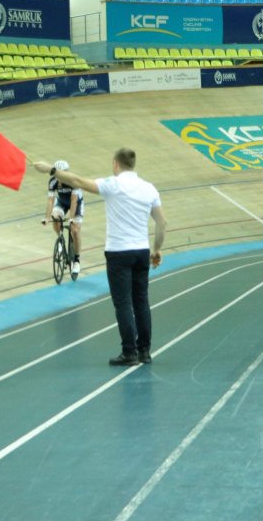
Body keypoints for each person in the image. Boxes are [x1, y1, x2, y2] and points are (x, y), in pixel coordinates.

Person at [34, 148, 167, 366]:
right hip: (141, 252)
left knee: (123, 303)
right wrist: (157, 249)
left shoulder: (111, 185)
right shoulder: (149, 188)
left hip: (118, 253)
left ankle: (129, 352)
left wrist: (51, 169)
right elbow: (162, 222)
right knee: (141, 301)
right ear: (133, 164)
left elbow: (77, 181)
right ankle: (144, 351)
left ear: (116, 164)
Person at [41, 159, 84, 275]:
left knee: (75, 230)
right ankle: (60, 239)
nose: (59, 177)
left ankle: (77, 260)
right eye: (57, 174)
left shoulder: (73, 181)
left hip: (76, 204)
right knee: (55, 217)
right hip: (62, 203)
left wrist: (71, 218)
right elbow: (50, 201)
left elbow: (74, 201)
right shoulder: (52, 182)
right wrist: (47, 217)